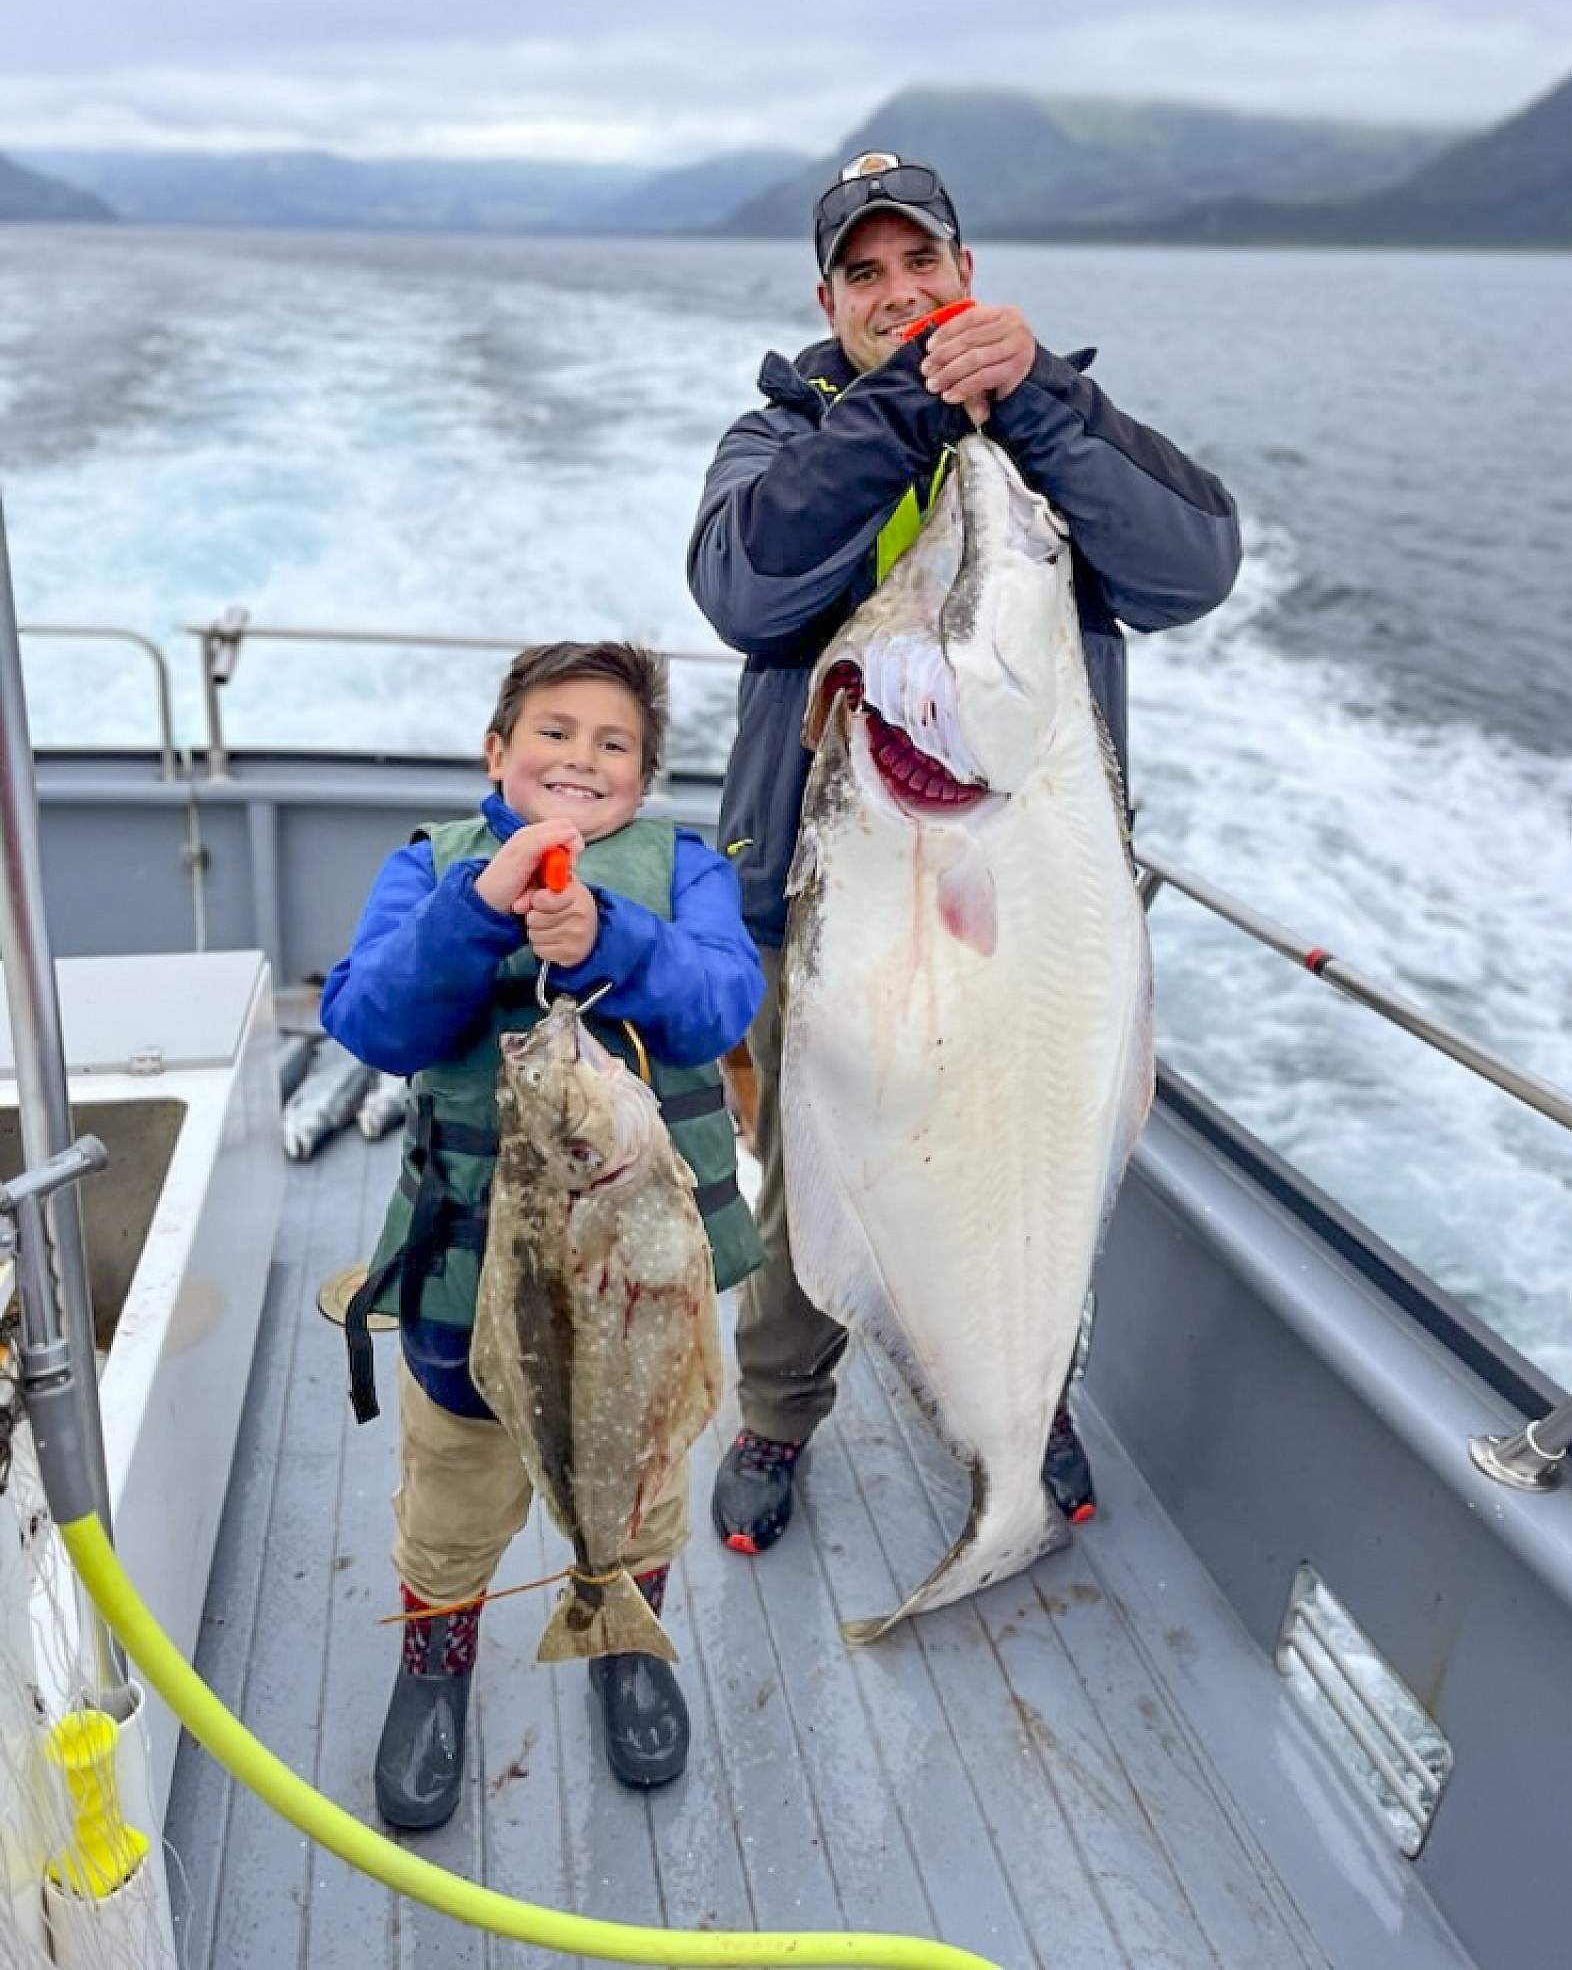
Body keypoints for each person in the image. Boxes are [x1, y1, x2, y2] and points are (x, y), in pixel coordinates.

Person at [687, 152, 1242, 1555]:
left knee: (1035, 1161)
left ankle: (1022, 1404)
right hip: (829, 901)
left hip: (1035, 906)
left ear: (965, 271)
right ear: (828, 300)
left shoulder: (1065, 427)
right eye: (864, 274)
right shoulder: (778, 440)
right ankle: (778, 1411)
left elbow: (1191, 568)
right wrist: (907, 405)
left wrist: (1037, 399)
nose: (897, 292)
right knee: (816, 1172)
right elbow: (746, 587)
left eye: (919, 263)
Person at [322, 641, 764, 1823]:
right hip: (469, 1273)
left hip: (639, 1281)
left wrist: (612, 939)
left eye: (614, 743)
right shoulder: (431, 868)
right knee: (454, 1484)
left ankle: (621, 1624)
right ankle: (437, 1663)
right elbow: (372, 1020)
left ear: (645, 775)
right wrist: (479, 912)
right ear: (496, 753)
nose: (581, 757)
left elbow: (723, 1003)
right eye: (553, 732)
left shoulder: (681, 869)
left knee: (641, 1462)